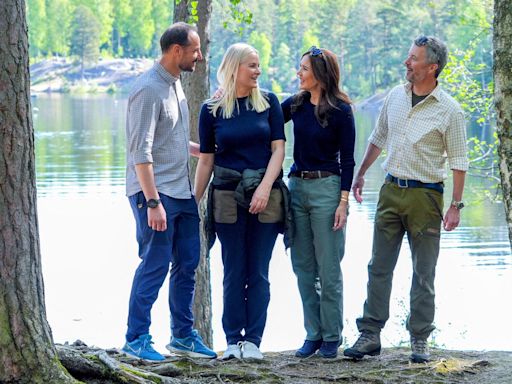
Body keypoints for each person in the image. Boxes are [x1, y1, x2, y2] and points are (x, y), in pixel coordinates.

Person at [344, 35, 468, 363]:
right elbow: (378, 137)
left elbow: (459, 161)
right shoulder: (395, 97)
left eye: (413, 58)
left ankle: (420, 340)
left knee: (423, 271)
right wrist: (360, 174)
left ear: (432, 67)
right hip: (389, 191)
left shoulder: (449, 110)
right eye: (408, 56)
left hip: (426, 197)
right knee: (378, 266)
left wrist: (455, 206)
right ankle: (370, 335)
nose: (406, 62)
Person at [122, 22, 216, 361]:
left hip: (182, 192)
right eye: (195, 50)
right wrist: (152, 202)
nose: (199, 56)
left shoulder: (174, 85)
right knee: (155, 264)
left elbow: (169, 139)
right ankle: (136, 339)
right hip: (155, 196)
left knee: (188, 263)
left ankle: (182, 336)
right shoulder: (148, 89)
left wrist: (201, 150)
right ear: (176, 51)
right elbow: (140, 154)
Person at [194, 43, 286, 360]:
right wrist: (195, 201)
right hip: (226, 197)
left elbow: (278, 151)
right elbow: (206, 161)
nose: (258, 71)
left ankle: (254, 342)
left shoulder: (269, 103)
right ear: (234, 68)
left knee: (258, 271)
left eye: (258, 65)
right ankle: (234, 341)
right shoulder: (211, 110)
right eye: (252, 65)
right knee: (233, 271)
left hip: (267, 196)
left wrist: (264, 187)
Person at [281, 46, 356, 359]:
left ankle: (331, 336)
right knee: (302, 267)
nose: (299, 74)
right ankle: (312, 334)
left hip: (328, 190)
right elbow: (262, 115)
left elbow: (349, 160)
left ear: (320, 74)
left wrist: (343, 202)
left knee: (328, 269)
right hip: (297, 188)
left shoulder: (341, 109)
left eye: (304, 69)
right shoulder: (296, 104)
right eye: (299, 68)